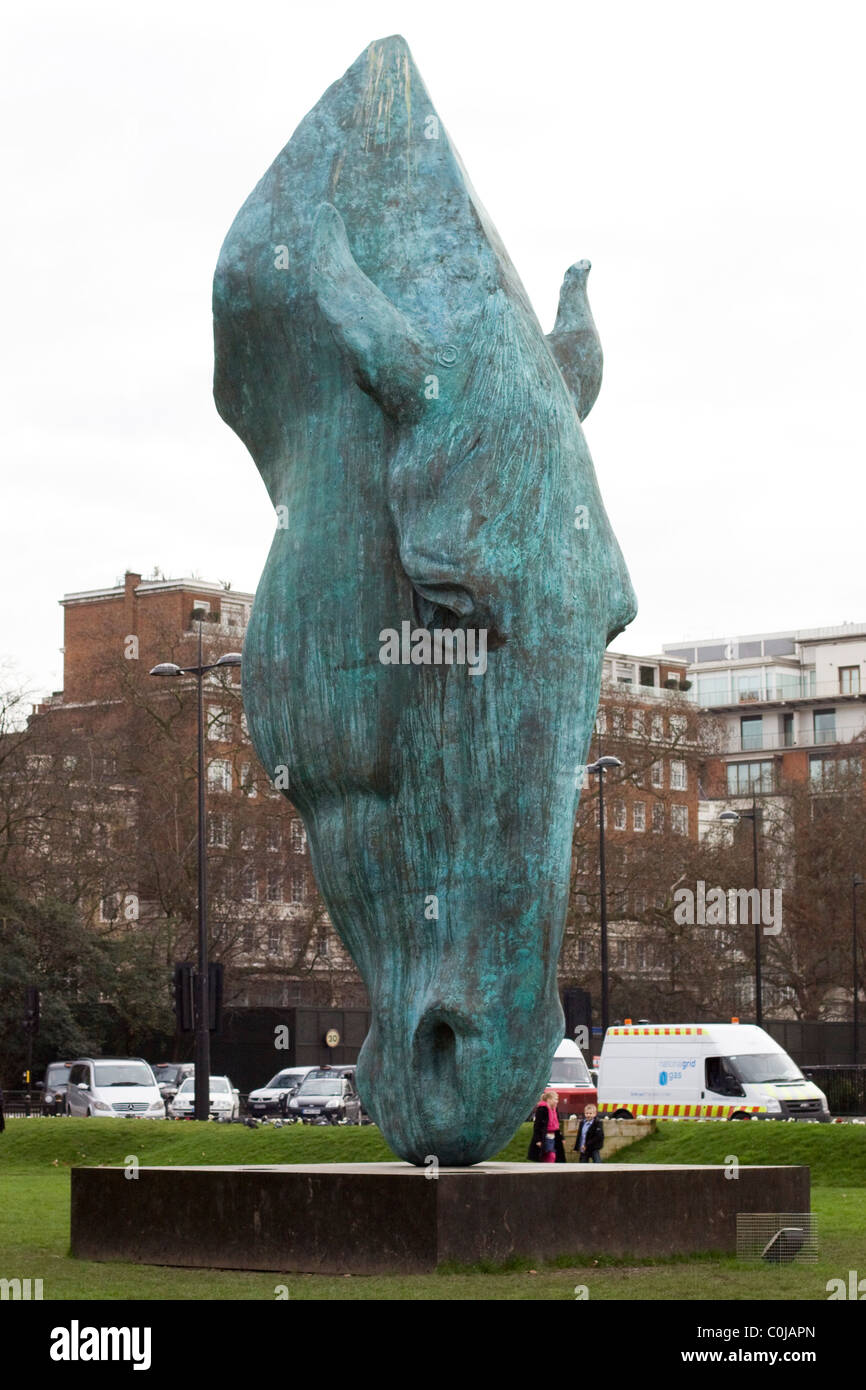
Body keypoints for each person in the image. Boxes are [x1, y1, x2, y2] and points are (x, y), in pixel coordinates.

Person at [527, 1089, 565, 1163]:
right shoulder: (542, 1109)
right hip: (545, 1137)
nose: (557, 1101)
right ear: (549, 1100)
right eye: (555, 1099)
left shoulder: (555, 1109)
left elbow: (556, 1125)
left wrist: (561, 1137)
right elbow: (537, 1126)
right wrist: (538, 1140)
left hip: (554, 1136)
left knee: (550, 1156)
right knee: (551, 1155)